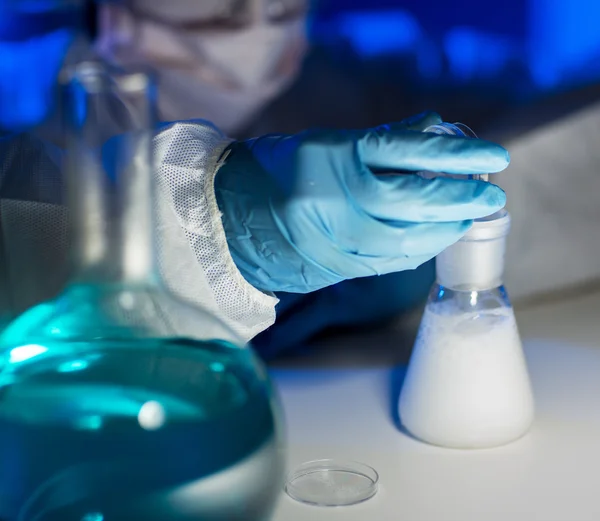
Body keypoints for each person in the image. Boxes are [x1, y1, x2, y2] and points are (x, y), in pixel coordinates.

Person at [0, 0, 510, 357]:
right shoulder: (20, 106)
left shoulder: (340, 75)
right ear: (115, 16)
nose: (260, 28)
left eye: (284, 10)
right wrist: (236, 222)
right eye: (222, 10)